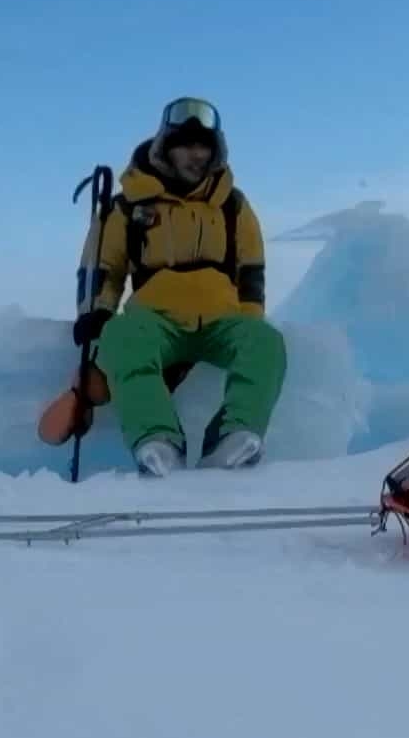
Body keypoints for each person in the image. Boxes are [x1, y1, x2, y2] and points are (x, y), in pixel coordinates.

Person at [72, 97, 287, 476]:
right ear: (166, 148)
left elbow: (251, 271)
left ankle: (233, 436)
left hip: (222, 320)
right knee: (122, 337)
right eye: (186, 144)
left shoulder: (232, 205)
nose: (196, 154)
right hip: (155, 320)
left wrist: (250, 318)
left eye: (204, 145)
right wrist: (95, 312)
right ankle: (158, 440)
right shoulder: (127, 207)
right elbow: (104, 267)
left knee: (266, 343)